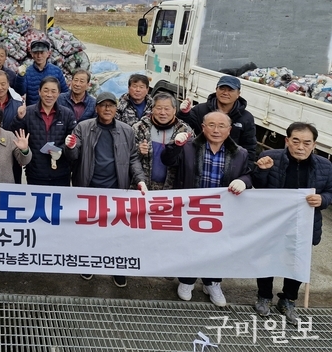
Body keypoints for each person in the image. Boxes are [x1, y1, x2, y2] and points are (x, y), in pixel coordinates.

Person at [161, 111, 251, 307]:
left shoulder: (240, 153)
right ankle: (187, 280)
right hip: (190, 210)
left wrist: (244, 181)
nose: (216, 130)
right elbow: (167, 160)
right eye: (211, 125)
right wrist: (174, 145)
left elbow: (248, 175)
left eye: (221, 126)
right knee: (189, 245)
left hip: (220, 213)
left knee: (218, 248)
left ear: (229, 130)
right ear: (203, 128)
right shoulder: (188, 148)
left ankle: (212, 283)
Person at [251, 122, 332, 324]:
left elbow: (330, 192)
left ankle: (288, 300)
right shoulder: (270, 158)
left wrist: (323, 199)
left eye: (307, 142)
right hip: (273, 222)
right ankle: (264, 296)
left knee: (297, 262)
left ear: (314, 144)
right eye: (295, 141)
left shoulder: (325, 166)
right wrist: (261, 171)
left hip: (305, 224)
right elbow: (257, 188)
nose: (300, 147)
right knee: (267, 259)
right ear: (287, 141)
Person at [65, 91, 147, 287]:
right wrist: (70, 147)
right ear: (97, 108)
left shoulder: (126, 131)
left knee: (116, 232)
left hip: (116, 191)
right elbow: (73, 157)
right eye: (103, 105)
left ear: (116, 109)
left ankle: (117, 267)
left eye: (111, 105)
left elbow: (133, 158)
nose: (107, 109)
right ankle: (89, 264)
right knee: (90, 231)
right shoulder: (83, 127)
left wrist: (140, 180)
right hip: (89, 189)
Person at [179, 75, 257, 166]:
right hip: (200, 162)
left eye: (230, 90)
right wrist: (183, 113)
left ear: (238, 94)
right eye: (222, 88)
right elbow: (182, 127)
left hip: (229, 166)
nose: (225, 93)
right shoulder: (200, 110)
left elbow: (249, 147)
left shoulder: (246, 118)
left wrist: (246, 169)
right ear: (216, 89)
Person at [13, 76, 76, 187]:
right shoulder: (28, 112)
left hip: (61, 172)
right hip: (35, 172)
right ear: (39, 92)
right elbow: (16, 135)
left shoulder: (67, 114)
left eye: (53, 91)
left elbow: (72, 139)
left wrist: (61, 150)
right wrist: (19, 119)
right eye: (46, 90)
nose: (49, 95)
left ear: (59, 93)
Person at [132, 93, 194, 190]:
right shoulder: (139, 128)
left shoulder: (184, 130)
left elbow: (190, 160)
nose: (162, 112)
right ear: (152, 109)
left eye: (167, 109)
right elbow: (127, 157)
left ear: (174, 110)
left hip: (171, 190)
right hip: (143, 187)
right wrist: (138, 150)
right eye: (159, 108)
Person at [24, 40, 68, 106]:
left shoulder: (57, 71)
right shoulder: (27, 72)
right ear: (32, 54)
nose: (39, 56)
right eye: (36, 53)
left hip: (54, 109)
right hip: (33, 110)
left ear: (48, 53)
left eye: (42, 53)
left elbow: (65, 93)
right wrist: (20, 77)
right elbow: (20, 92)